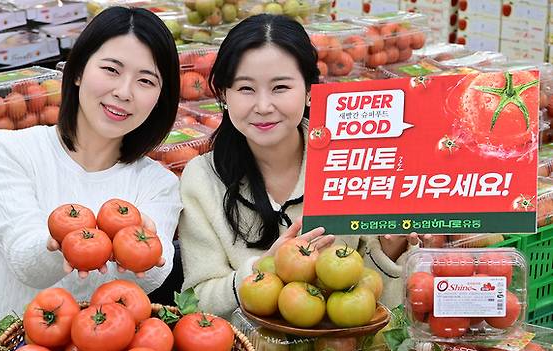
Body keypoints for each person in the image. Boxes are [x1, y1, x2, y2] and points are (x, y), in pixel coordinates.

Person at [178, 14, 420, 318]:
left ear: (308, 91)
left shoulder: (352, 162)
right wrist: (263, 268)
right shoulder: (202, 178)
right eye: (245, 89)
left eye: (280, 87)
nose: (263, 106)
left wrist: (389, 249)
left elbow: (381, 306)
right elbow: (196, 303)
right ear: (224, 95)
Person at [0, 6, 182, 328]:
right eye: (111, 70)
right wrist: (70, 244)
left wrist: (145, 245)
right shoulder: (6, 153)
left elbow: (153, 275)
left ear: (159, 98)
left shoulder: (159, 183)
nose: (123, 92)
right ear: (78, 70)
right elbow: (27, 262)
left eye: (145, 80)